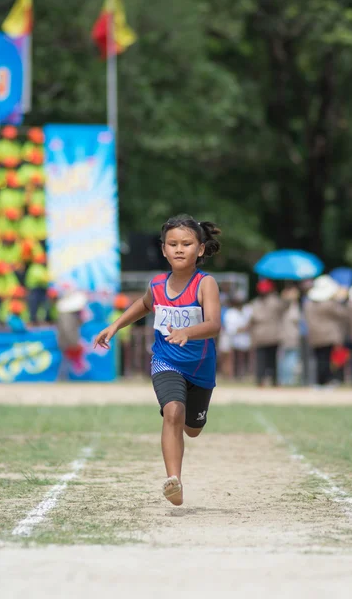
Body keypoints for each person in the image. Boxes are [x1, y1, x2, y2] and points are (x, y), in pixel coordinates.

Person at [94, 214, 221, 506]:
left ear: (200, 249)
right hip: (166, 361)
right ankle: (174, 480)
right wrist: (115, 326)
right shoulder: (158, 284)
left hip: (200, 368)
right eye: (172, 244)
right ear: (163, 249)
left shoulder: (205, 284)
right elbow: (143, 304)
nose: (179, 249)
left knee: (193, 429)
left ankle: (193, 420)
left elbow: (214, 324)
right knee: (173, 411)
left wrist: (189, 331)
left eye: (186, 244)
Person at [304, 275, 347, 387]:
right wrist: (339, 300)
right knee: (328, 359)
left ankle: (319, 381)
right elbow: (343, 314)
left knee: (319, 359)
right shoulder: (330, 304)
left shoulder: (308, 304)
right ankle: (328, 380)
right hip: (328, 335)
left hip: (314, 334)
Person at [248, 279, 286, 386]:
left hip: (261, 335)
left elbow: (252, 319)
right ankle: (273, 380)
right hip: (273, 335)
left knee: (261, 360)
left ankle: (261, 381)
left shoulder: (255, 303)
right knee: (272, 360)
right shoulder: (276, 301)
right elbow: (284, 308)